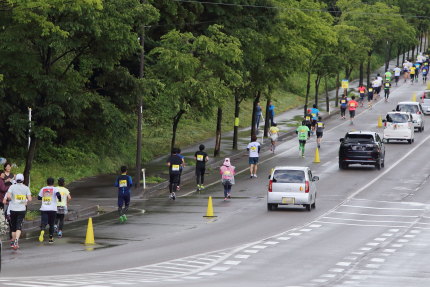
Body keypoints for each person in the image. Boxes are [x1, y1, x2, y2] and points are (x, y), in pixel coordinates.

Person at [3, 174, 31, 250]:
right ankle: (16, 241)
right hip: (21, 209)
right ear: (22, 179)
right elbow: (30, 198)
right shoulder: (26, 188)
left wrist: (11, 199)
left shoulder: (12, 187)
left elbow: (8, 196)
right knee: (19, 226)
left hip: (12, 209)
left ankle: (13, 241)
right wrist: (25, 200)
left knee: (13, 227)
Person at [38, 177, 61, 244]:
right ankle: (50, 238)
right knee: (51, 224)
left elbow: (39, 197)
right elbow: (58, 194)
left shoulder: (43, 189)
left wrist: (45, 197)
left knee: (44, 222)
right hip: (52, 209)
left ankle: (42, 230)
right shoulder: (55, 188)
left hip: (44, 209)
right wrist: (59, 199)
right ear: (53, 183)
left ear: (47, 182)